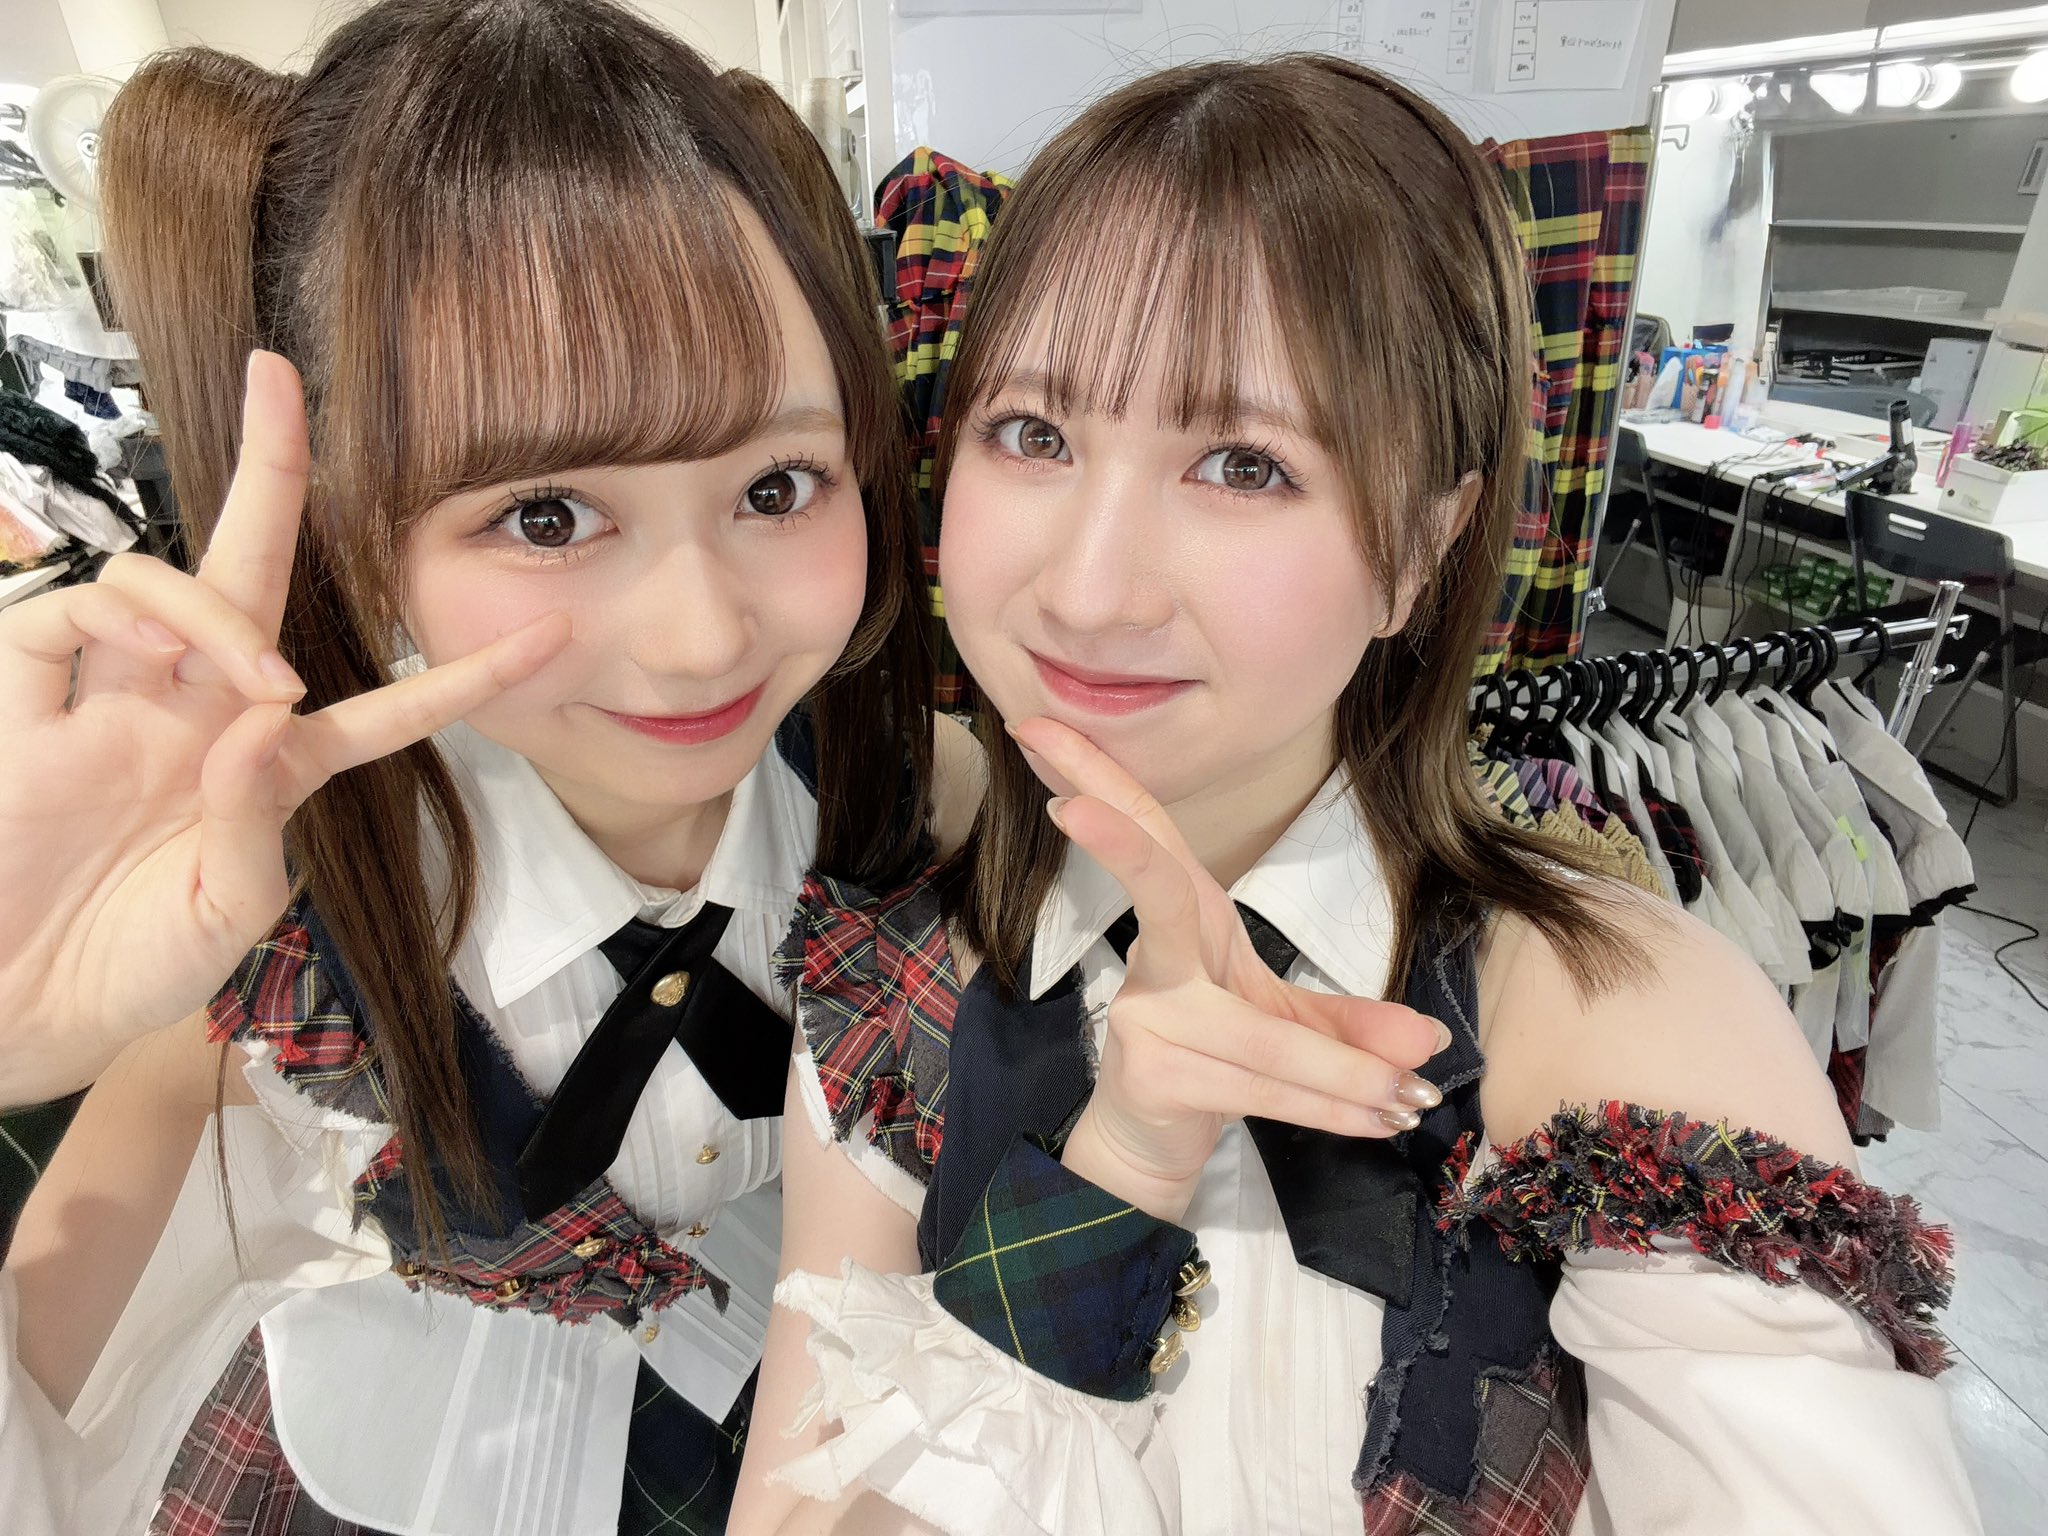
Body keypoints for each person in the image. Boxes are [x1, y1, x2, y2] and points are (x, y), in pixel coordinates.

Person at [738, 55, 1981, 1535]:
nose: (1087, 588)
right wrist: (1111, 1183)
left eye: (1244, 464)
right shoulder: (886, 992)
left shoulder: (1609, 1022)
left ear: (1424, 549)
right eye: (1036, 435)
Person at [0, 2, 942, 1531]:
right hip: (410, 1461)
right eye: (547, 516)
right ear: (360, 536)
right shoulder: (275, 945)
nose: (703, 638)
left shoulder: (909, 802)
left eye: (778, 485)